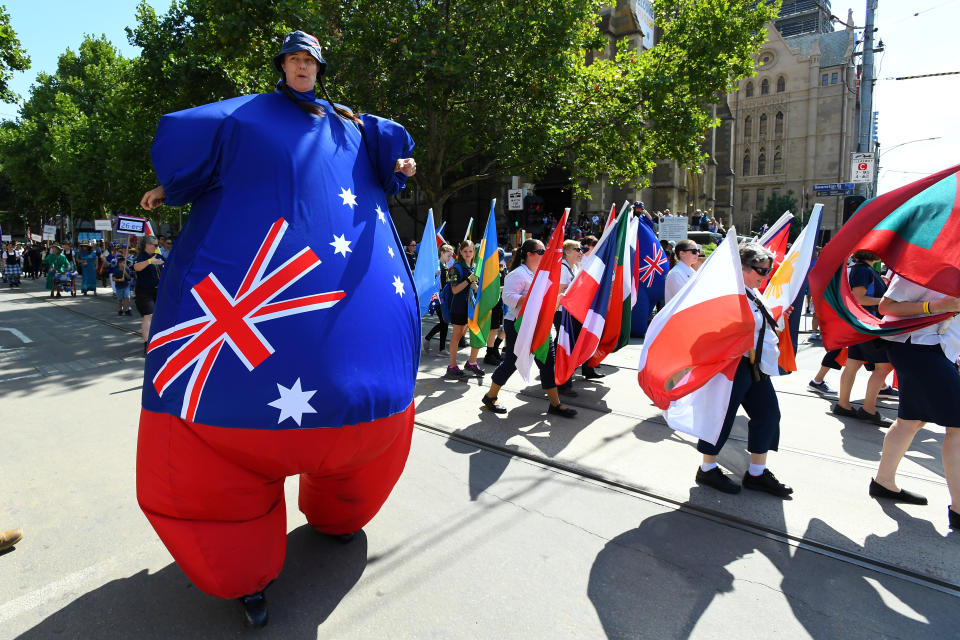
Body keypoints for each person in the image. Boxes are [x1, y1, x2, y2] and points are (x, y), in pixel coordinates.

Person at [136, 30, 418, 627]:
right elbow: (197, 156)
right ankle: (247, 574)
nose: (300, 67)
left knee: (222, 475)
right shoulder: (246, 118)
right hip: (236, 388)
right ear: (282, 66)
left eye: (308, 61)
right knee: (213, 486)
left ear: (318, 68)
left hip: (369, 382)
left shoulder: (353, 127)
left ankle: (338, 510)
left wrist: (400, 164)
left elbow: (392, 163)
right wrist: (170, 187)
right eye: (292, 60)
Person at [694, 243, 793, 497]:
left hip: (754, 366)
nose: (765, 275)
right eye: (760, 270)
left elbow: (762, 327)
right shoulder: (724, 293)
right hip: (730, 366)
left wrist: (779, 316)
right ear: (742, 267)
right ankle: (707, 468)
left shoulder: (753, 293)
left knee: (769, 415)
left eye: (768, 270)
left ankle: (757, 474)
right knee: (720, 418)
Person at [872, 275, 960, 530]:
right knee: (956, 427)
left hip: (932, 349)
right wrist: (936, 307)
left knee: (910, 421)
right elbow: (886, 306)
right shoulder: (925, 265)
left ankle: (883, 481)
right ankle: (958, 509)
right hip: (918, 348)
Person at [481, 238, 577, 418]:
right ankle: (490, 396)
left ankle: (555, 404)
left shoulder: (541, 274)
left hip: (539, 325)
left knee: (547, 362)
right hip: (518, 324)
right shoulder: (518, 274)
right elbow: (508, 298)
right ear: (529, 254)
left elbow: (544, 302)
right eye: (541, 252)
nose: (544, 255)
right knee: (512, 362)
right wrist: (532, 297)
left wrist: (559, 298)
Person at [830, 251, 894, 427]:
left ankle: (843, 404)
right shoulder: (863, 270)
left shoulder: (860, 269)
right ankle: (868, 409)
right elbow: (859, 298)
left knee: (853, 364)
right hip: (869, 325)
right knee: (884, 366)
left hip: (860, 324)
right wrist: (886, 302)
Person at [446, 240, 484, 377]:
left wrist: (475, 286)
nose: (468, 254)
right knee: (457, 336)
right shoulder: (457, 267)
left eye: (471, 251)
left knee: (465, 334)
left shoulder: (474, 267)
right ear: (460, 252)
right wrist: (469, 280)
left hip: (471, 307)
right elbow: (455, 290)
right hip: (459, 307)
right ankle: (452, 365)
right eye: (465, 251)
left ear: (474, 252)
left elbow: (474, 287)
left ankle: (471, 362)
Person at [555, 239, 584, 396]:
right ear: (566, 252)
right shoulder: (563, 269)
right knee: (565, 346)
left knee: (570, 346)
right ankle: (562, 382)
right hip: (562, 314)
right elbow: (560, 295)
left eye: (581, 249)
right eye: (576, 249)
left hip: (573, 313)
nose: (580, 252)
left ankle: (561, 377)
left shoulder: (577, 267)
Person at [132, 236, 164, 352]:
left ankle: (158, 340)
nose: (157, 247)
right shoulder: (142, 256)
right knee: (149, 315)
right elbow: (136, 267)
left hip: (159, 291)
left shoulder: (159, 256)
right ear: (147, 245)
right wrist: (150, 261)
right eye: (155, 245)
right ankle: (147, 344)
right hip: (144, 292)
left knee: (159, 316)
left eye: (158, 245)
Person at [424, 244, 454, 354]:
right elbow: (428, 279)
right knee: (444, 321)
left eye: (451, 256)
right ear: (442, 253)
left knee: (444, 321)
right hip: (437, 297)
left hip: (443, 296)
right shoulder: (436, 265)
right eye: (449, 255)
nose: (450, 258)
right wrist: (434, 275)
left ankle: (439, 347)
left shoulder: (444, 265)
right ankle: (428, 339)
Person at [113, 247, 133, 316]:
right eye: (122, 263)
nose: (124, 264)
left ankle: (127, 309)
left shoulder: (126, 269)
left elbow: (129, 278)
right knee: (120, 299)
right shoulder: (116, 270)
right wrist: (119, 280)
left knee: (127, 297)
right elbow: (113, 278)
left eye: (125, 263)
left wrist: (125, 273)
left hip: (126, 286)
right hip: (119, 287)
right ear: (119, 264)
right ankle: (120, 309)